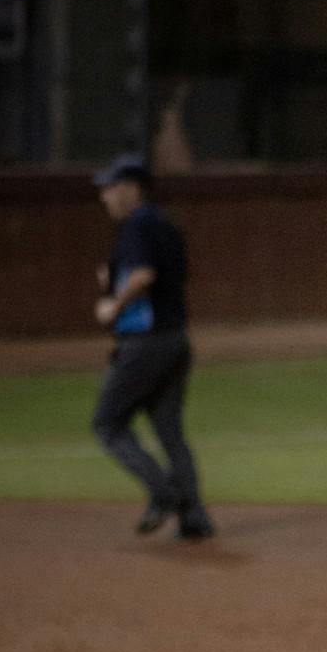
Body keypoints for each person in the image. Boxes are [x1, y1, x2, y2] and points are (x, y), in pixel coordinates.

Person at [91, 153, 215, 541]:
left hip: (144, 343)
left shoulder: (136, 226)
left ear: (131, 189)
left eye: (111, 188)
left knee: (108, 424)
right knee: (169, 432)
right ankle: (194, 517)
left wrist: (114, 303)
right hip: (176, 339)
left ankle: (164, 493)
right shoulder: (166, 225)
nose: (105, 197)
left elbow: (144, 274)